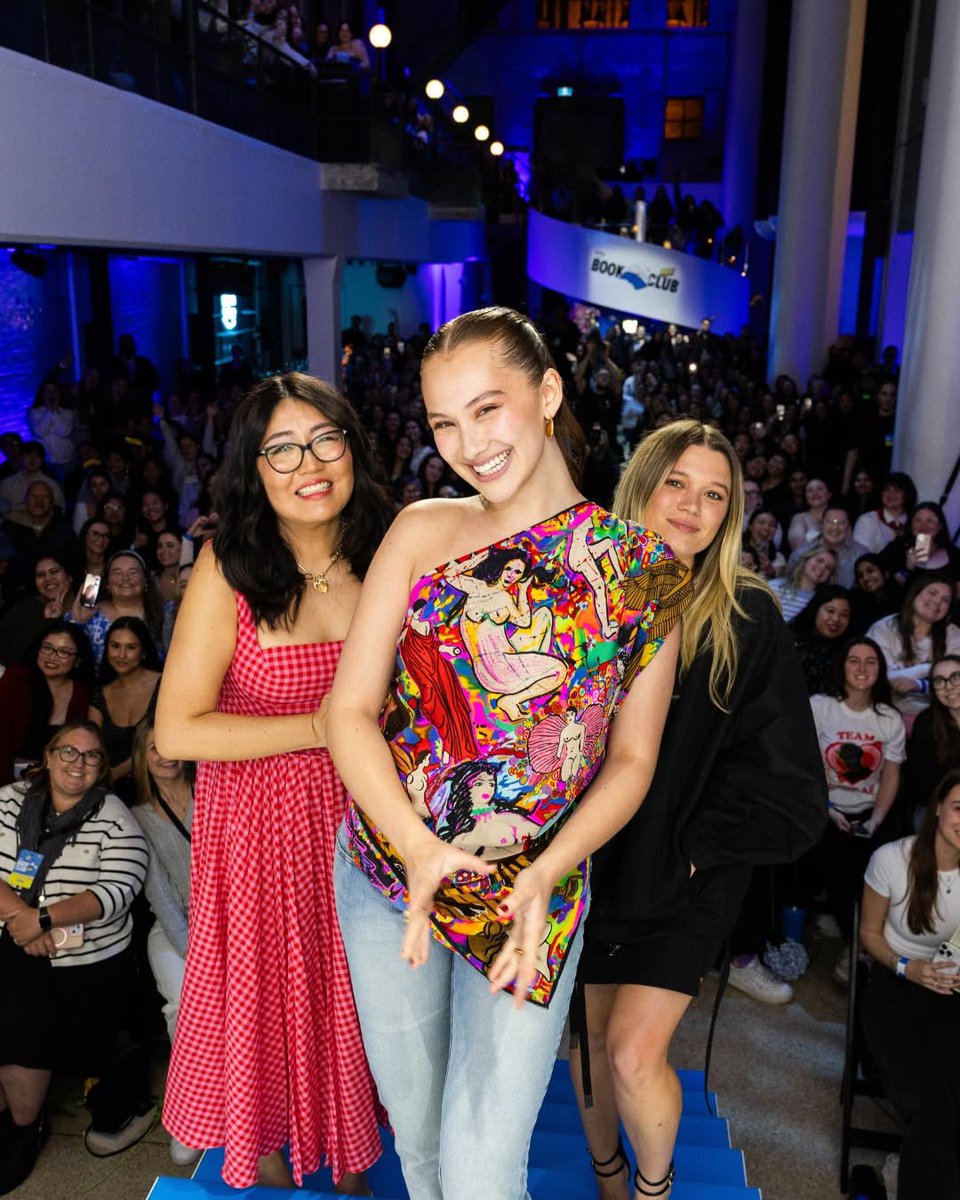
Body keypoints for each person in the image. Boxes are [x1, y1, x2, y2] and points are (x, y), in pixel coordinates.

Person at [327, 306, 692, 1200]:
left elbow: (632, 762)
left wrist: (550, 870)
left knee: (483, 1172)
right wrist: (418, 848)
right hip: (390, 876)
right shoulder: (420, 529)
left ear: (549, 393)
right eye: (444, 423)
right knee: (419, 1147)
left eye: (487, 409)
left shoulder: (643, 571)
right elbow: (348, 712)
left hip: (536, 893)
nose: (469, 445)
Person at [571, 420, 825, 1198]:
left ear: (729, 515)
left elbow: (780, 770)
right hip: (591, 860)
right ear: (641, 484)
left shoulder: (748, 616)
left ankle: (654, 1190)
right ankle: (610, 1180)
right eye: (677, 483)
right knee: (589, 1046)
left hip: (689, 872)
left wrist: (693, 852)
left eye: (714, 495)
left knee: (632, 1052)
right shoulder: (584, 595)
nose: (691, 505)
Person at [155, 372, 393, 1192]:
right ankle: (268, 1165)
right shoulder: (229, 568)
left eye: (325, 440)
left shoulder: (390, 553)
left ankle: (353, 1160)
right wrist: (322, 728)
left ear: (354, 448)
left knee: (357, 1001)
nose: (309, 464)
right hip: (262, 829)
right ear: (252, 470)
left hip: (369, 820)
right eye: (281, 450)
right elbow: (176, 730)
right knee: (269, 1004)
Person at [0, 722, 148, 1193]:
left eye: (90, 756)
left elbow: (119, 888)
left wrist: (42, 920)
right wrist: (22, 918)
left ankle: (24, 1128)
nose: (76, 763)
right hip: (11, 930)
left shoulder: (114, 815)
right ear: (47, 756)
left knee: (24, 1014)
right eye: (67, 751)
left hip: (80, 955)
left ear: (101, 768)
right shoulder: (9, 800)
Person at [859, 771, 960, 1200]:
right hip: (894, 988)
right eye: (959, 808)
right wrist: (907, 967)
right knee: (934, 1111)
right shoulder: (892, 859)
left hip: (951, 994)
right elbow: (868, 934)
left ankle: (914, 1169)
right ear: (937, 808)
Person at [809, 638, 906, 966]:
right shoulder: (821, 706)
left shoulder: (889, 718)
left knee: (880, 865)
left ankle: (865, 947)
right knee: (833, 864)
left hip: (869, 811)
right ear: (842, 666)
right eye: (854, 660)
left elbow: (891, 775)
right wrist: (828, 809)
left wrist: (875, 820)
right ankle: (849, 942)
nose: (862, 668)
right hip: (823, 808)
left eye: (870, 662)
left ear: (880, 670)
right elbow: (805, 766)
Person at [129, 718, 199, 1166]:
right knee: (182, 1008)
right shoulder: (137, 817)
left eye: (169, 744)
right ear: (141, 756)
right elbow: (159, 895)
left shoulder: (211, 791)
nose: (164, 755)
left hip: (235, 921)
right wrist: (197, 954)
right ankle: (192, 1113)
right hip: (176, 928)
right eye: (153, 748)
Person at [0, 621, 93, 784]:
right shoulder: (17, 678)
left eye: (64, 652)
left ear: (78, 660)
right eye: (47, 648)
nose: (52, 656)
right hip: (9, 776)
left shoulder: (82, 692)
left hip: (60, 779)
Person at [867, 574, 960, 724]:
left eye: (945, 600)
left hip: (938, 717)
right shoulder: (883, 629)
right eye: (932, 593)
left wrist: (920, 685)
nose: (937, 601)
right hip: (885, 713)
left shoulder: (953, 634)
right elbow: (876, 678)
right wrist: (929, 669)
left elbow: (957, 685)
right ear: (915, 593)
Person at [88, 617, 162, 801]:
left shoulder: (164, 684)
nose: (121, 655)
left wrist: (114, 774)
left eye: (131, 647)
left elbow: (162, 742)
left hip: (159, 784)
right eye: (115, 646)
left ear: (143, 651)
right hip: (111, 790)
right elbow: (92, 744)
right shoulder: (100, 693)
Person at [67, 549, 168, 669]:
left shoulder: (166, 613)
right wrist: (79, 623)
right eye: (117, 573)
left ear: (146, 580)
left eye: (133, 572)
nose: (125, 578)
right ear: (107, 583)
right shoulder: (86, 615)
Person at [906, 654, 960, 816]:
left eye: (956, 677)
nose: (948, 687)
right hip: (941, 805)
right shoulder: (926, 722)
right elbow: (924, 784)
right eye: (939, 681)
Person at [789, 585, 853, 695]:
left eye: (844, 615)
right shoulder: (789, 640)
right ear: (815, 609)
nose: (836, 619)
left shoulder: (848, 651)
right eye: (830, 611)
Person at [768, 543, 837, 621]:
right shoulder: (774, 587)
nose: (822, 567)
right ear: (806, 559)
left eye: (828, 568)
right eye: (819, 561)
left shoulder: (822, 602)